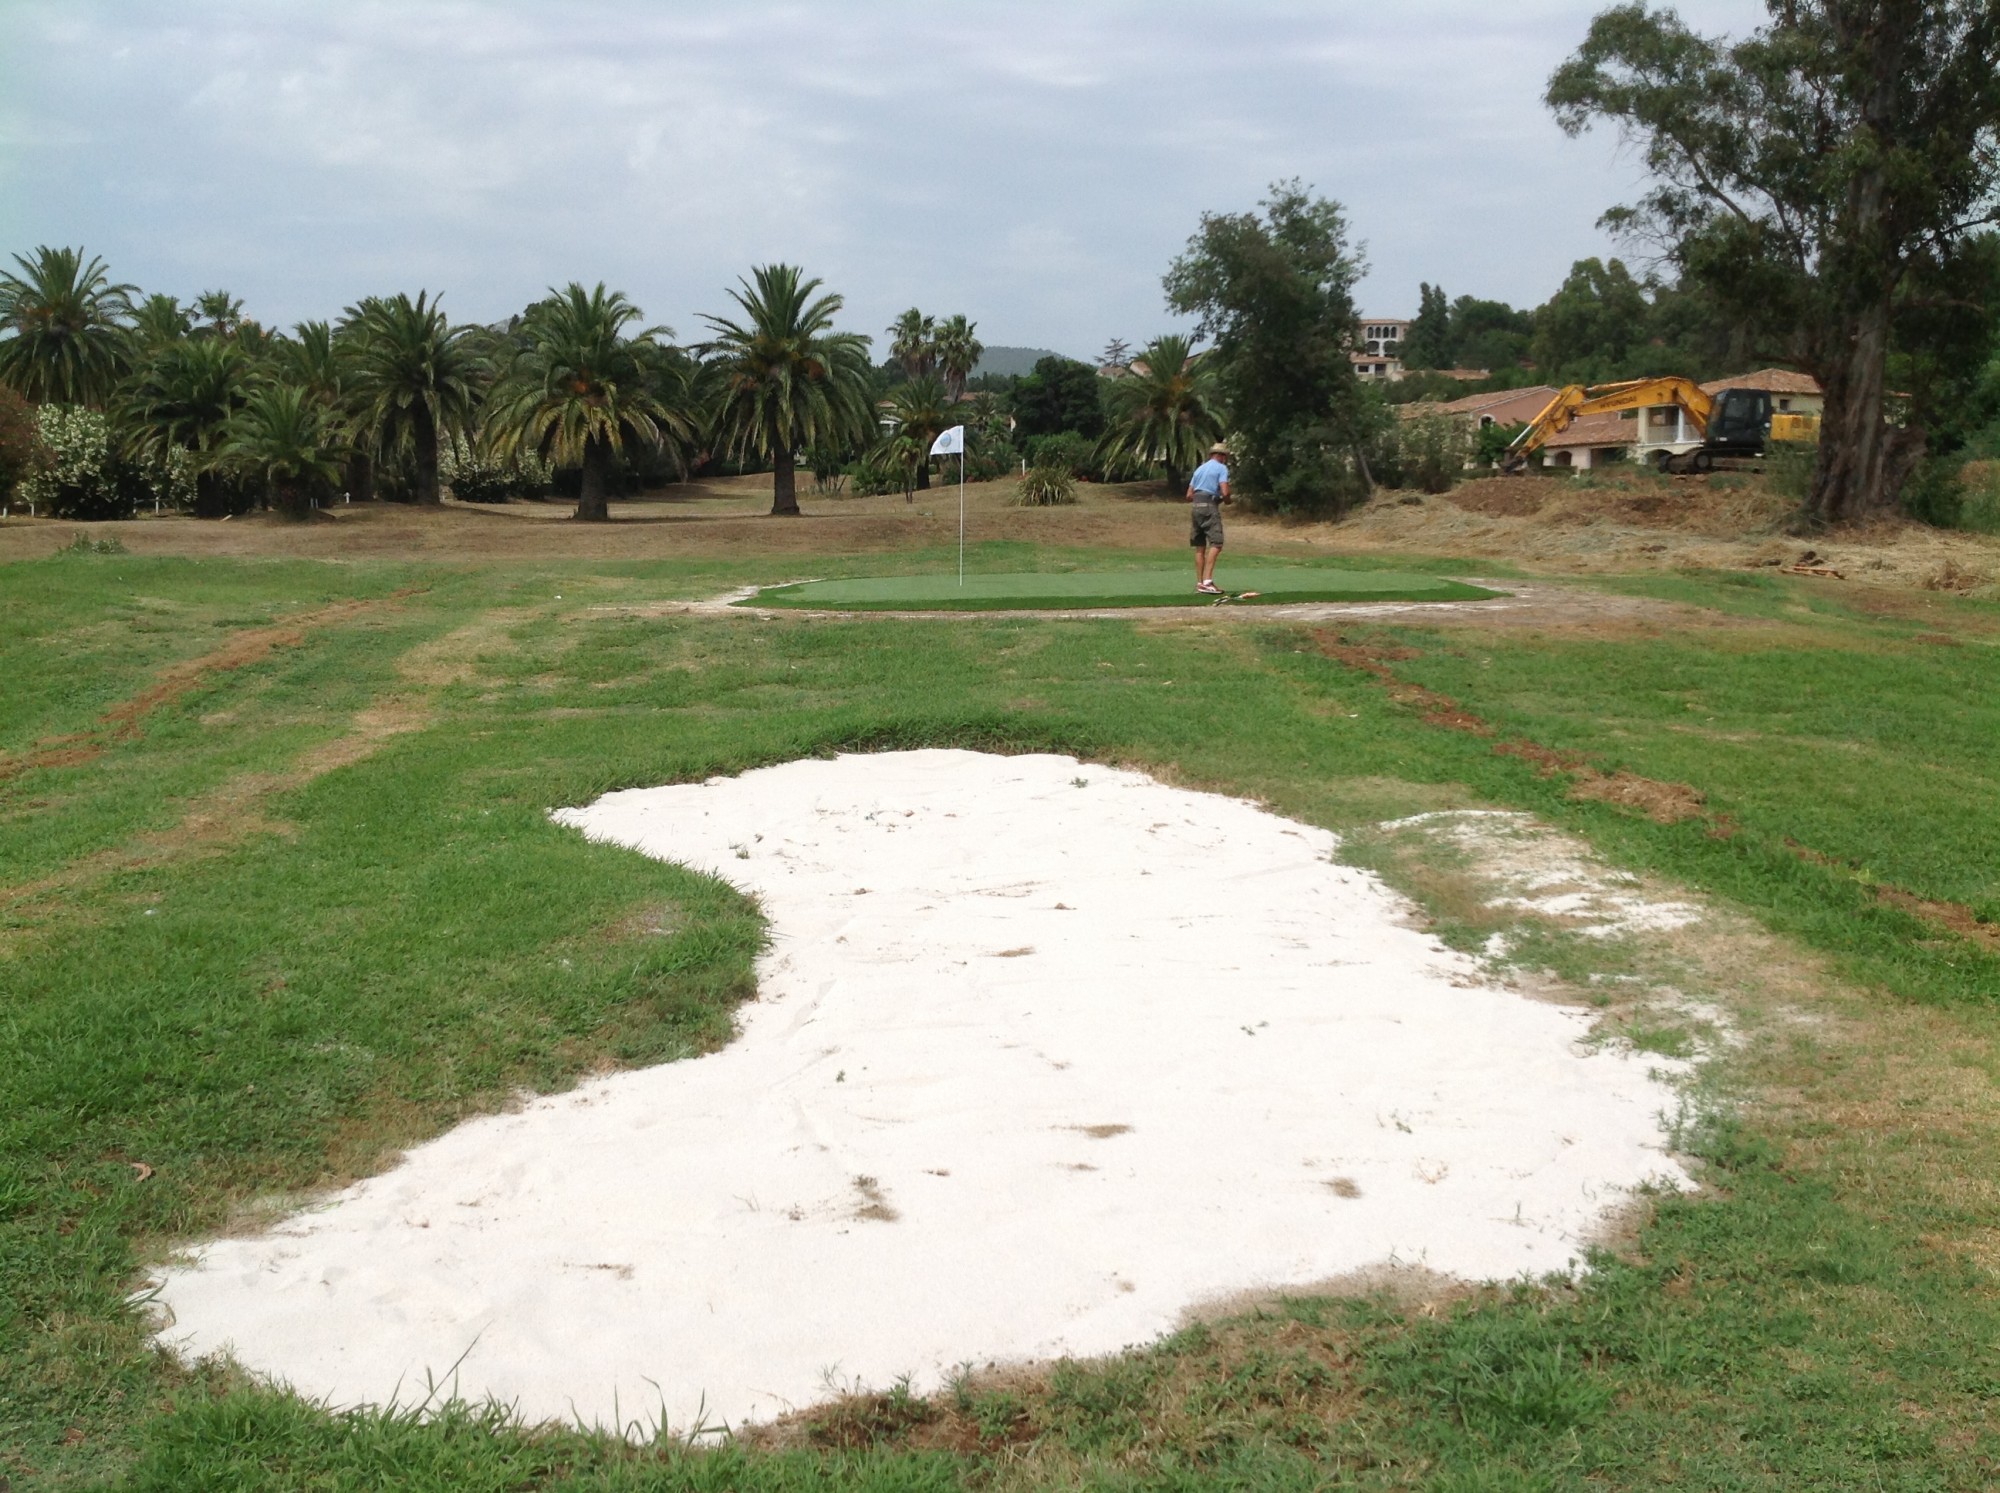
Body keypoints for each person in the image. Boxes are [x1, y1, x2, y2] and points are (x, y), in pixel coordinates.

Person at [1186, 441, 1231, 594]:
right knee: (1217, 543)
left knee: (1200, 546)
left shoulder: (1199, 469)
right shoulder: (1221, 468)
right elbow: (1225, 492)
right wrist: (1227, 500)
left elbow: (1189, 495)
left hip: (1196, 507)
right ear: (1222, 456)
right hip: (1209, 506)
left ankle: (1200, 583)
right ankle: (1208, 580)